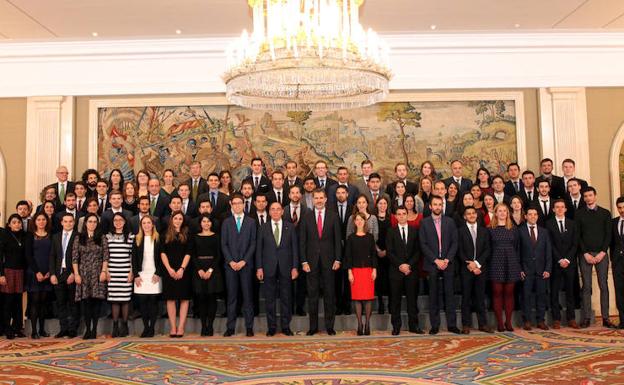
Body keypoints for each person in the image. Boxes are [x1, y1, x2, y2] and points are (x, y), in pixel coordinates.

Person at [299, 188, 342, 336]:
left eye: (320, 198)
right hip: (311, 263)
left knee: (330, 295)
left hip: (329, 262)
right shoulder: (306, 217)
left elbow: (338, 240)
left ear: (325, 200)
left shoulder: (333, 217)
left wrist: (337, 259)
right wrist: (303, 261)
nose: (318, 200)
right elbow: (302, 241)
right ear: (312, 200)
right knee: (312, 295)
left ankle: (330, 326)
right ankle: (313, 327)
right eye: (315, 198)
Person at [256, 202, 299, 336]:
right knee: (270, 299)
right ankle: (272, 327)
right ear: (269, 212)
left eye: (278, 209)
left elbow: (294, 249)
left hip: (286, 267)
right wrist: (259, 268)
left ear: (282, 212)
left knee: (286, 298)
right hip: (268, 267)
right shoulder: (263, 228)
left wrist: (295, 267)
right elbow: (259, 250)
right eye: (272, 209)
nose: (275, 212)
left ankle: (286, 326)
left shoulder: (290, 227)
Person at [575, 187, 615, 328]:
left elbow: (608, 234)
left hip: (601, 254)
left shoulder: (605, 213)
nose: (588, 198)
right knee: (586, 286)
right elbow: (578, 236)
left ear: (595, 196)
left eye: (590, 195)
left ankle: (606, 318)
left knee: (603, 285)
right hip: (584, 254)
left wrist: (603, 252)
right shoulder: (579, 214)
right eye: (585, 196)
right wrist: (585, 253)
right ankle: (586, 318)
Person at [419, 195, 460, 334]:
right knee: (433, 295)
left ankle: (452, 325)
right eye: (435, 204)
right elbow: (423, 244)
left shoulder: (450, 222)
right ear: (430, 206)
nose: (437, 207)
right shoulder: (424, 223)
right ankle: (435, 325)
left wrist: (447, 259)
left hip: (448, 263)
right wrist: (436, 260)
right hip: (432, 264)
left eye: (439, 204)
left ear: (442, 206)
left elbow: (455, 242)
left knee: (449, 294)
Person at [221, 194, 257, 337]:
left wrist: (244, 261)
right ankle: (230, 327)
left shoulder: (251, 222)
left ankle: (249, 327)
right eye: (234, 203)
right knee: (232, 297)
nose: (237, 206)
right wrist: (231, 261)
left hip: (246, 266)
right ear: (231, 205)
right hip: (230, 266)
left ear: (243, 205)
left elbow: (253, 243)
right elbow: (223, 244)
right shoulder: (226, 222)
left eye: (239, 203)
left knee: (248, 297)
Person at [72, 213, 109, 340]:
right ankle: (87, 329)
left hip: (97, 272)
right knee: (86, 302)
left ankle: (94, 329)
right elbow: (75, 258)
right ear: (85, 223)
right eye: (90, 221)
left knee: (96, 302)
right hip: (83, 272)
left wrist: (104, 271)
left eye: (94, 222)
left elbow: (105, 256)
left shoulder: (102, 237)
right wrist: (76, 274)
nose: (92, 224)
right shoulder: (79, 237)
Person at [386, 206, 422, 335]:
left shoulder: (414, 230)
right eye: (399, 214)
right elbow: (389, 252)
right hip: (396, 271)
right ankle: (396, 327)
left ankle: (414, 326)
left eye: (403, 214)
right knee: (395, 301)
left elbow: (418, 251)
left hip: (411, 271)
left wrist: (408, 265)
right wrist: (401, 265)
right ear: (395, 216)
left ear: (407, 215)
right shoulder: (391, 231)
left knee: (412, 300)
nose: (401, 216)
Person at [458, 206, 492, 334]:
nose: (471, 215)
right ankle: (466, 325)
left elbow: (487, 249)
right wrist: (470, 265)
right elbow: (459, 250)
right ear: (464, 216)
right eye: (468, 214)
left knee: (480, 297)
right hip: (466, 269)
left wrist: (477, 264)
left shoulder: (484, 231)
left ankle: (482, 324)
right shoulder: (460, 231)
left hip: (481, 269)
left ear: (476, 215)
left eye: (473, 213)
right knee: (466, 297)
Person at [489, 203, 521, 332]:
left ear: (508, 214)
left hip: (511, 263)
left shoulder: (514, 229)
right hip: (496, 263)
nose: (502, 213)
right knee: (497, 293)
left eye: (505, 211)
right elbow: (488, 249)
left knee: (509, 293)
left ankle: (508, 322)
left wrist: (519, 266)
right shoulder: (489, 229)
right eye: (500, 211)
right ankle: (500, 323)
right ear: (495, 213)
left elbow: (518, 248)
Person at [546, 199, 579, 329]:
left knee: (570, 291)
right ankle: (556, 319)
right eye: (557, 207)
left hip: (570, 263)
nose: (560, 209)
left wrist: (568, 259)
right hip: (555, 263)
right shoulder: (548, 224)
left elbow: (575, 243)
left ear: (565, 209)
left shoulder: (572, 224)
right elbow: (550, 244)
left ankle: (571, 318)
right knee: (554, 291)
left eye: (562, 207)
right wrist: (560, 259)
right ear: (553, 209)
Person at [519, 207, 552, 331]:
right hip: (526, 271)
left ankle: (540, 320)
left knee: (541, 296)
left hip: (541, 270)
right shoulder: (520, 231)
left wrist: (548, 269)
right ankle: (527, 320)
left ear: (537, 216)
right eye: (530, 214)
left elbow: (548, 251)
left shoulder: (544, 232)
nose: (533, 216)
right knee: (526, 296)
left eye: (535, 214)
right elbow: (518, 252)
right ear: (525, 216)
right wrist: (520, 269)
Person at [161, 211, 193, 337]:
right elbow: (162, 253)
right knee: (171, 299)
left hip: (183, 271)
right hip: (169, 270)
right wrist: (169, 269)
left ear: (183, 220)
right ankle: (173, 327)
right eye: (176, 218)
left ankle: (181, 328)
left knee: (184, 299)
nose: (178, 220)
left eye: (180, 218)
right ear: (171, 220)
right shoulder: (165, 234)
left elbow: (189, 253)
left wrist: (181, 269)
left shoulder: (187, 234)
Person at [345, 212, 378, 335]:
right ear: (354, 222)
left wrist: (374, 269)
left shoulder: (370, 237)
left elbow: (374, 255)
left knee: (369, 298)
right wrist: (350, 272)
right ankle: (359, 324)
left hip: (368, 271)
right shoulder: (351, 238)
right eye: (357, 219)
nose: (359, 221)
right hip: (355, 271)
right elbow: (348, 257)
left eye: (361, 219)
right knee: (357, 299)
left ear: (365, 222)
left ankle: (368, 324)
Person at [191, 214, 224, 336]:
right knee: (201, 299)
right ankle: (203, 326)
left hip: (213, 270)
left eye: (208, 221)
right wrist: (199, 269)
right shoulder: (195, 237)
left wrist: (210, 270)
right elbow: (193, 255)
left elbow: (219, 255)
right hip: (198, 270)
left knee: (211, 299)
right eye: (204, 221)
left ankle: (210, 326)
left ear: (211, 223)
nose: (206, 223)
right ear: (200, 223)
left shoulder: (216, 237)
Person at [49, 213, 79, 338]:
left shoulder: (78, 236)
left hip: (71, 273)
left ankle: (72, 329)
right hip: (58, 273)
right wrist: (52, 274)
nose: (68, 223)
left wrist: (74, 273)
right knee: (60, 303)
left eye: (70, 221)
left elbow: (80, 256)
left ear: (74, 222)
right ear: (61, 222)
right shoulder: (56, 237)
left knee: (73, 303)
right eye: (65, 221)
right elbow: (52, 256)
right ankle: (63, 329)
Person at [132, 215, 163, 338]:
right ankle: (145, 327)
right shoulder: (137, 239)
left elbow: (162, 258)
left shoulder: (158, 238)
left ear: (153, 224)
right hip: (141, 275)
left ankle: (152, 328)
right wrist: (136, 275)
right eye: (144, 223)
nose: (146, 225)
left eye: (148, 223)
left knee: (153, 301)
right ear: (141, 225)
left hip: (154, 274)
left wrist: (158, 273)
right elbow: (133, 259)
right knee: (143, 302)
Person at [105, 213, 135, 338]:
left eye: (120, 220)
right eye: (115, 220)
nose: (118, 222)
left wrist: (131, 272)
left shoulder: (130, 236)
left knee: (125, 300)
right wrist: (106, 270)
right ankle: (115, 325)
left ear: (124, 222)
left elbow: (132, 256)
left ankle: (125, 325)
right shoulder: (108, 236)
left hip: (125, 271)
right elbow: (105, 255)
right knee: (115, 300)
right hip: (112, 271)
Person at [0, 214, 28, 339]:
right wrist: (1, 274)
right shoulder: (5, 236)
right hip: (8, 271)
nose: (17, 224)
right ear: (9, 224)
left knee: (18, 301)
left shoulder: (24, 236)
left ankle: (18, 328)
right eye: (14, 222)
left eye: (19, 222)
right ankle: (7, 328)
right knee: (8, 302)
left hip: (20, 272)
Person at [26, 212, 53, 338]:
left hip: (47, 272)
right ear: (34, 222)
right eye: (39, 219)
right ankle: (34, 331)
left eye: (43, 219)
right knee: (34, 302)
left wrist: (49, 271)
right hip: (34, 272)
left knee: (44, 303)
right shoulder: (30, 236)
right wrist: (37, 272)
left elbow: (53, 255)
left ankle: (42, 329)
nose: (41, 221)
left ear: (46, 221)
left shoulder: (50, 236)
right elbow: (28, 256)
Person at [334, 185, 353, 316]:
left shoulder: (353, 209)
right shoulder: (330, 208)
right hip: (334, 248)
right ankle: (338, 306)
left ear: (347, 194)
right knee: (336, 279)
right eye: (338, 193)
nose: (341, 195)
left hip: (349, 248)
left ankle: (347, 305)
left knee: (348, 278)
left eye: (343, 193)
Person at [375, 197, 391, 315]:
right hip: (376, 252)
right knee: (379, 279)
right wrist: (378, 250)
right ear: (377, 205)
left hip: (389, 253)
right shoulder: (373, 218)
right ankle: (380, 303)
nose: (382, 205)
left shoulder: (392, 219)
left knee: (390, 279)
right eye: (380, 203)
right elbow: (371, 236)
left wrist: (387, 250)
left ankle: (390, 304)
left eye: (384, 203)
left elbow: (394, 236)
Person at [611, 196, 624, 329]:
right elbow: (612, 242)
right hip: (617, 263)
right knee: (619, 291)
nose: (622, 210)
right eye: (619, 208)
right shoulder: (613, 222)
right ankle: (622, 320)